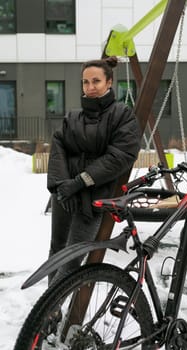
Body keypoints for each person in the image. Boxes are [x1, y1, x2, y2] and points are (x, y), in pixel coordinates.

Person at [47, 56, 141, 284]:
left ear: (109, 82)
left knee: (73, 257)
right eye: (85, 82)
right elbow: (58, 146)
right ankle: (50, 313)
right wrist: (62, 186)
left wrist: (79, 182)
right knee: (57, 250)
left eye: (96, 81)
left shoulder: (122, 115)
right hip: (66, 194)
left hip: (94, 197)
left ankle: (50, 308)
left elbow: (120, 155)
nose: (90, 87)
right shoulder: (73, 117)